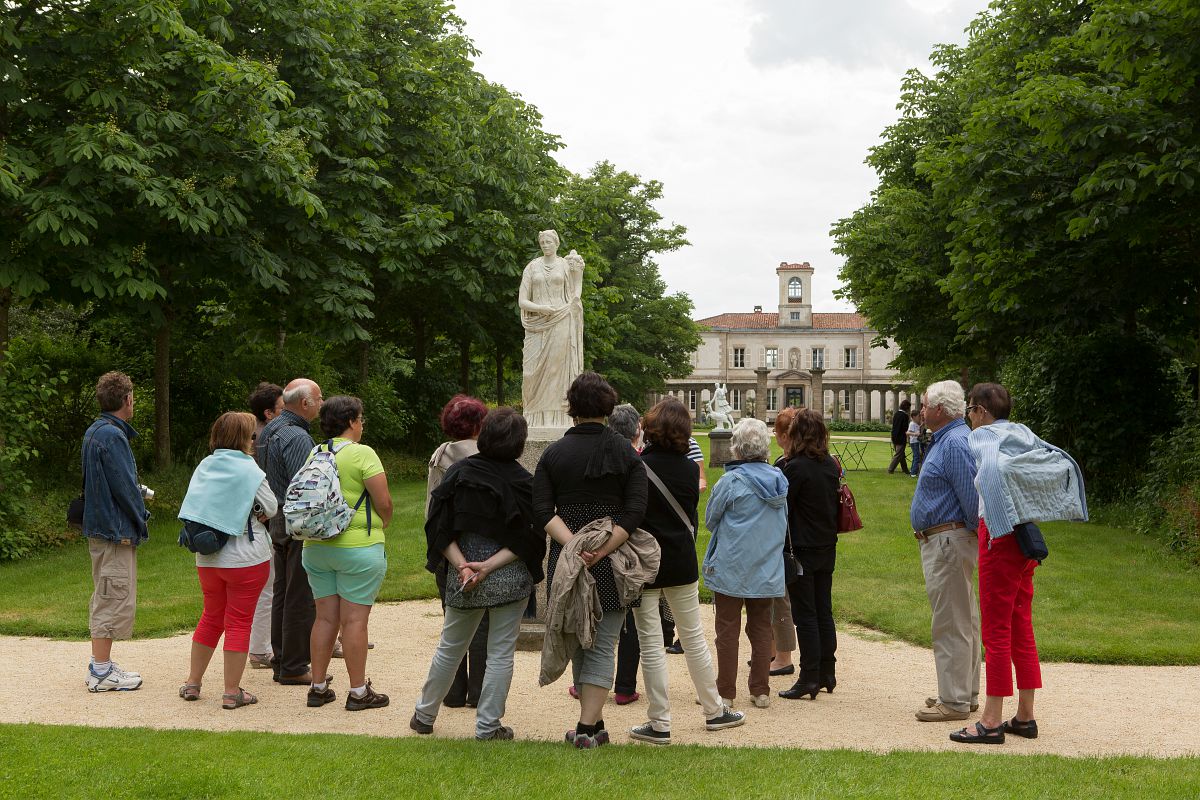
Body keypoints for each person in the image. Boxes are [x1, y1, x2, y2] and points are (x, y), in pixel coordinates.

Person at [950, 383, 1087, 744]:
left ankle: (991, 721)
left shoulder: (984, 437)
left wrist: (995, 524)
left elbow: (991, 470)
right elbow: (1057, 458)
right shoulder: (1022, 433)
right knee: (1020, 625)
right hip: (1027, 535)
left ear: (980, 410)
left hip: (999, 536)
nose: (968, 416)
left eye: (969, 410)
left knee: (995, 631)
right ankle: (1025, 716)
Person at [412, 408, 546, 740]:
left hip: (464, 577)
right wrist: (488, 566)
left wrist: (463, 565)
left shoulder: (458, 474)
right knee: (500, 651)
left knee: (450, 646)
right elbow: (529, 538)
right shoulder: (524, 483)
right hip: (509, 577)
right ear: (519, 443)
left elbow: (438, 529)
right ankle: (488, 726)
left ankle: (424, 715)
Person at [532, 371, 650, 748]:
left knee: (583, 640)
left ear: (572, 407)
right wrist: (599, 549)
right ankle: (591, 728)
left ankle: (586, 728)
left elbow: (542, 510)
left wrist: (573, 547)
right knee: (600, 643)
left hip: (566, 563)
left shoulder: (553, 454)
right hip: (612, 560)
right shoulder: (625, 454)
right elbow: (634, 513)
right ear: (608, 406)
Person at [629, 397, 744, 744]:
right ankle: (714, 710)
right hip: (680, 558)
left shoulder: (637, 467)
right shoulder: (688, 468)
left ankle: (660, 722)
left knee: (650, 643)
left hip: (644, 561)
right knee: (693, 638)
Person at [177, 412, 276, 709]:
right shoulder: (250, 470)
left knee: (210, 617)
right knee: (239, 622)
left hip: (207, 557)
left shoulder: (205, 465)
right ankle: (232, 691)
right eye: (251, 435)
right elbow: (270, 506)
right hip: (246, 557)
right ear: (243, 439)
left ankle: (193, 682)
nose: (254, 439)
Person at [303, 396, 394, 711]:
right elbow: (383, 502)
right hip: (357, 547)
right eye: (361, 417)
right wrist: (384, 522)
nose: (363, 423)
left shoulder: (315, 451)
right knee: (354, 620)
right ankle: (357, 692)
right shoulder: (363, 454)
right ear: (352, 421)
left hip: (315, 548)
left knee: (325, 617)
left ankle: (317, 687)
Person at [703, 418, 789, 709]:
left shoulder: (730, 481)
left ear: (737, 448)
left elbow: (710, 520)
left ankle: (726, 691)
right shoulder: (779, 480)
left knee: (727, 629)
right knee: (762, 628)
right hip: (766, 564)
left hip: (732, 564)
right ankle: (760, 689)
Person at [910, 380, 981, 722]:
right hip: (947, 539)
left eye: (924, 405)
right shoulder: (949, 439)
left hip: (949, 541)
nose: (921, 411)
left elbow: (971, 498)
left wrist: (958, 535)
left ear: (939, 410)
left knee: (952, 622)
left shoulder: (954, 442)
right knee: (963, 618)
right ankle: (963, 694)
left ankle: (953, 700)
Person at [81, 371, 150, 692]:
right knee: (111, 594)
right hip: (113, 530)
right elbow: (125, 489)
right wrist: (141, 518)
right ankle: (101, 672)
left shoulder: (97, 431)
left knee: (107, 592)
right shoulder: (112, 437)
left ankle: (103, 665)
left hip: (102, 526)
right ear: (127, 400)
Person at [426, 394, 489, 708]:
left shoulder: (440, 455)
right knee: (482, 621)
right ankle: (478, 691)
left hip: (445, 547)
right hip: (479, 549)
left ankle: (452, 691)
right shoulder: (488, 455)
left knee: (452, 619)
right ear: (479, 424)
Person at [257, 378, 322, 685]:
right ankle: (295, 665)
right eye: (319, 399)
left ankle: (282, 658)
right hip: (295, 520)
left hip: (275, 518)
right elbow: (305, 488)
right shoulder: (298, 437)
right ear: (305, 403)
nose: (322, 404)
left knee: (282, 591)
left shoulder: (269, 430)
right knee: (299, 593)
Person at [778, 409, 841, 700]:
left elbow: (783, 507)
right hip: (826, 545)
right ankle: (827, 670)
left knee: (806, 615)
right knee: (823, 610)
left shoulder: (796, 467)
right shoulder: (830, 464)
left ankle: (809, 676)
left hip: (801, 547)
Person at [519, 229, 584, 428]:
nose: (546, 245)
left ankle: (560, 417)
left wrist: (578, 271)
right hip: (537, 323)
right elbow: (522, 301)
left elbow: (575, 293)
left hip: (561, 319)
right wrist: (541, 308)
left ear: (556, 243)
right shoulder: (532, 267)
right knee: (530, 373)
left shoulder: (565, 265)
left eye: (549, 241)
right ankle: (532, 417)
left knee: (558, 371)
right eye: (543, 242)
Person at [605, 403, 644, 706]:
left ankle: (586, 683)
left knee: (596, 614)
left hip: (600, 543)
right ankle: (624, 687)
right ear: (636, 430)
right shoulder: (638, 461)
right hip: (630, 548)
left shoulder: (598, 457)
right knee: (630, 619)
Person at [246, 382, 284, 670]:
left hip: (258, 523)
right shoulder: (260, 441)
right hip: (261, 524)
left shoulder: (255, 437)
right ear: (269, 413)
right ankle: (260, 648)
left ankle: (262, 644)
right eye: (282, 408)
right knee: (267, 587)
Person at [765, 407, 800, 677]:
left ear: (785, 434)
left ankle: (784, 656)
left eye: (777, 432)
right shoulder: (788, 462)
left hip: (784, 541)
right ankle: (774, 651)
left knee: (780, 599)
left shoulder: (788, 466)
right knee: (774, 598)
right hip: (786, 539)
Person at [887, 398, 911, 474]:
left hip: (894, 436)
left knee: (901, 454)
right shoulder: (905, 416)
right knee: (898, 454)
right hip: (901, 437)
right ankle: (890, 469)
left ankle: (905, 469)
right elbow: (905, 428)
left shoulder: (896, 414)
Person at [907, 407, 923, 478]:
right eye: (918, 416)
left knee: (915, 456)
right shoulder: (912, 424)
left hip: (915, 442)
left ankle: (912, 470)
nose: (919, 418)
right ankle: (913, 473)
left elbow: (918, 428)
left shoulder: (915, 424)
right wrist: (916, 434)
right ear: (913, 417)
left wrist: (922, 425)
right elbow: (908, 432)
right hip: (914, 442)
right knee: (917, 457)